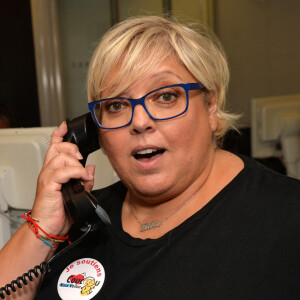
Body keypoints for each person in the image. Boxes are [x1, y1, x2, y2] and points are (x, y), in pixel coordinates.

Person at [0, 15, 299, 300]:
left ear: (210, 107)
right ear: (95, 130)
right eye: (117, 104)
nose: (140, 121)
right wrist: (44, 228)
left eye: (166, 96)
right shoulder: (81, 222)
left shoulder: (286, 216)